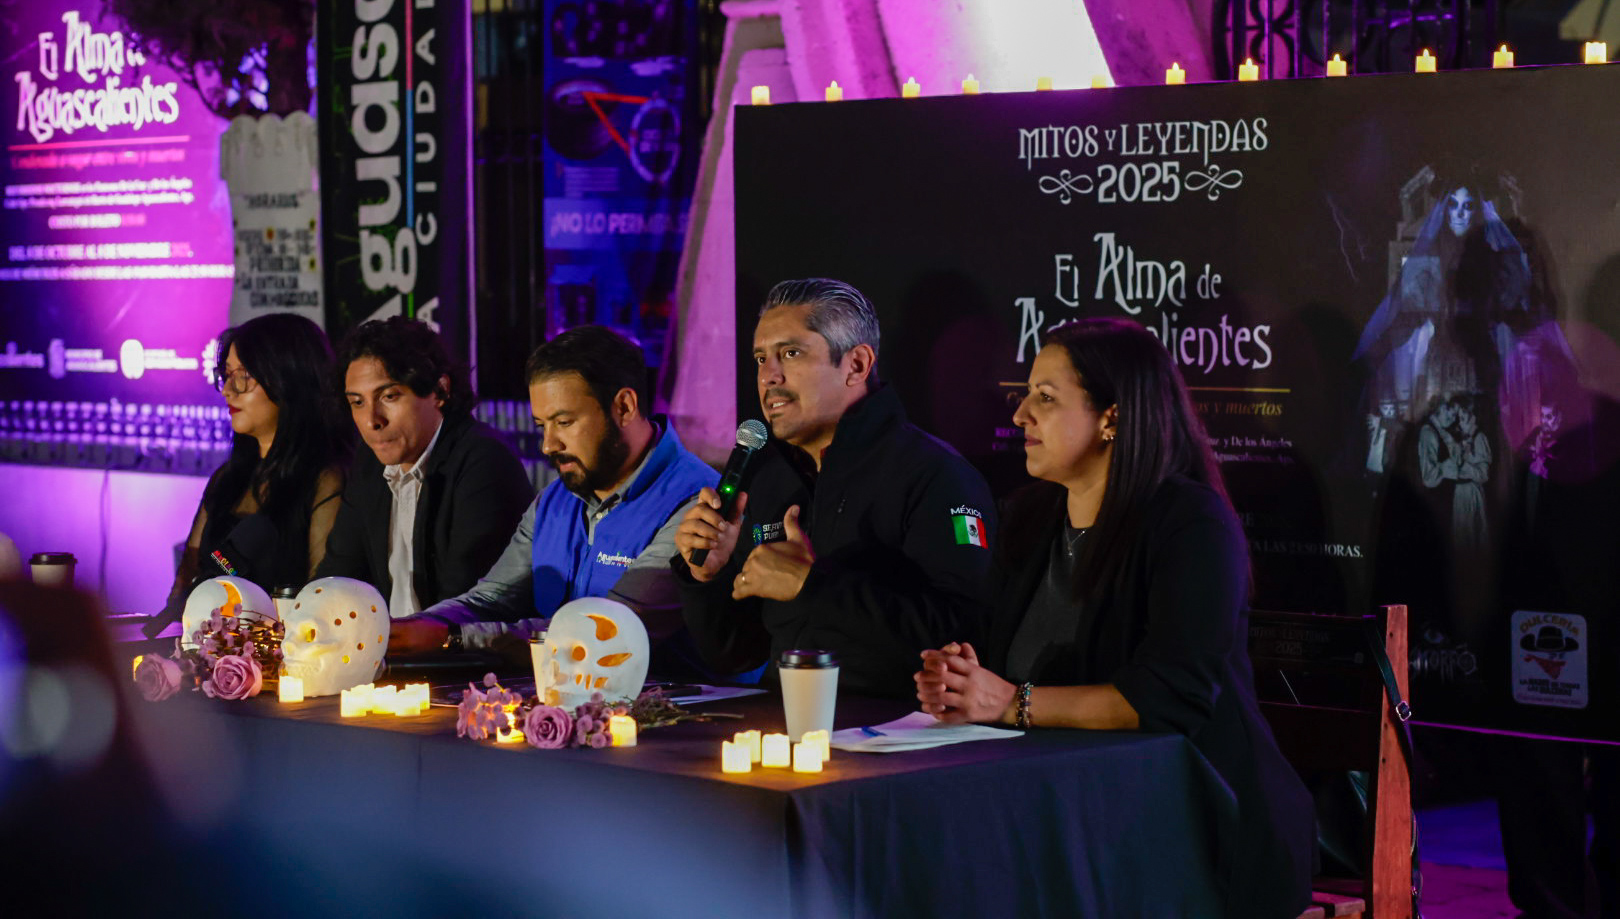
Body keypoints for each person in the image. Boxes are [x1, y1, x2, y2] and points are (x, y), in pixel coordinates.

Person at [913, 318, 1313, 919]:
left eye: (1046, 398)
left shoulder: (1191, 523)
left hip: (1193, 822)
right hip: (1067, 811)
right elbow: (995, 660)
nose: (1020, 415)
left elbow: (1170, 696)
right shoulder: (1028, 519)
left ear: (1112, 418)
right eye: (1025, 395)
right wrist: (960, 678)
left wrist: (1011, 702)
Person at [673, 278, 995, 696]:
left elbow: (963, 632)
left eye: (791, 353)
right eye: (760, 358)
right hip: (782, 721)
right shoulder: (769, 479)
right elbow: (734, 654)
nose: (768, 376)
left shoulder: (935, 475)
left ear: (856, 365)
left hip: (898, 727)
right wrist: (707, 577)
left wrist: (812, 586)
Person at [391, 326, 715, 660]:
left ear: (624, 407)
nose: (548, 445)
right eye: (541, 425)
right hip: (561, 690)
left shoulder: (697, 503)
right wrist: (405, 630)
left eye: (564, 422)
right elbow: (488, 601)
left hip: (674, 694)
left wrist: (453, 638)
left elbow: (605, 635)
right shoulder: (555, 500)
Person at [316, 317, 532, 618]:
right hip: (392, 644)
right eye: (358, 402)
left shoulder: (484, 461)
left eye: (389, 396)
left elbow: (466, 605)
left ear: (440, 391)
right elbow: (337, 579)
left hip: (458, 644)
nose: (372, 420)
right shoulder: (370, 464)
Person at [166, 314, 346, 606]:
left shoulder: (326, 482)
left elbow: (323, 601)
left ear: (288, 379)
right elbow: (184, 586)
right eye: (227, 375)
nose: (227, 390)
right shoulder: (226, 479)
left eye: (244, 376)